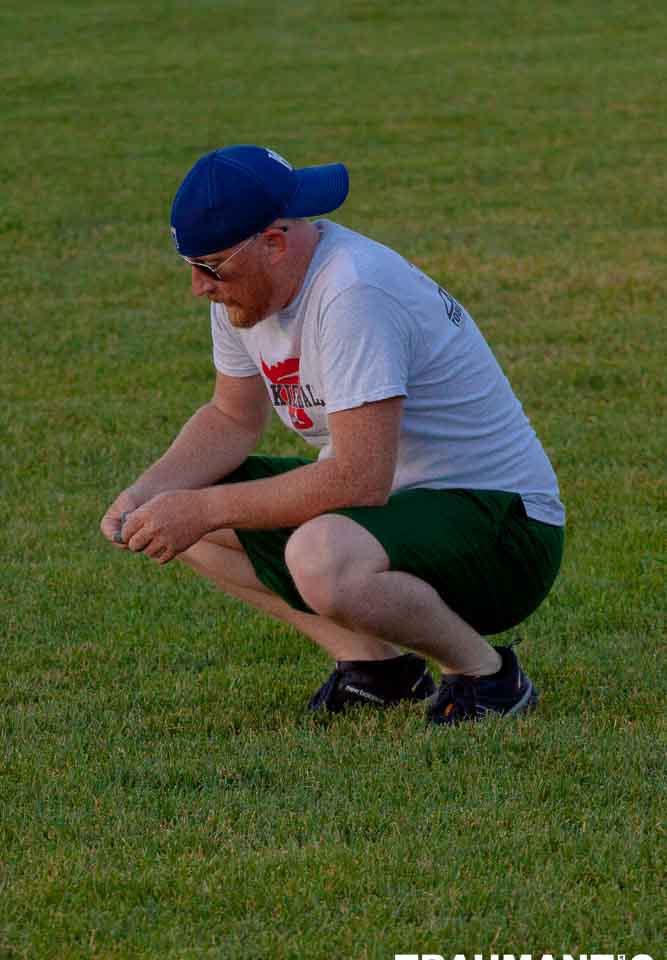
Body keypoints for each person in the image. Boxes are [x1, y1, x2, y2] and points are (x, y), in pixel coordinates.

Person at [100, 144, 565, 726]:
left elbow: (359, 479)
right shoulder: (243, 292)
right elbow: (231, 418)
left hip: (506, 529)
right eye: (192, 266)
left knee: (316, 553)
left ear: (272, 242)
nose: (198, 287)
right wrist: (148, 497)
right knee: (178, 511)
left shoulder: (353, 292)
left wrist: (204, 507)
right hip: (405, 508)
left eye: (210, 268)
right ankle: (376, 670)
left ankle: (489, 677)